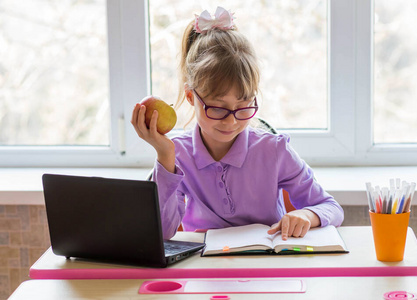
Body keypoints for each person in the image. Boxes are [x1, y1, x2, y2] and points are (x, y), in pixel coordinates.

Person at [131, 7, 344, 240]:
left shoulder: (274, 150)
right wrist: (165, 156)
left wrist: (307, 215)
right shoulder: (178, 155)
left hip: (266, 267)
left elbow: (330, 207)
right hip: (205, 270)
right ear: (192, 97)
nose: (231, 120)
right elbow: (161, 232)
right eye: (218, 108)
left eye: (243, 106)